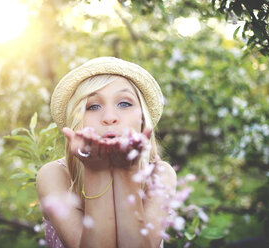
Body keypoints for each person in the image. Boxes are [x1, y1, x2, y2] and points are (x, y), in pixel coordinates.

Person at [36, 57, 177, 248]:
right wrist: (96, 170)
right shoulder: (54, 175)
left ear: (142, 118)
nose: (109, 118)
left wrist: (128, 172)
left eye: (124, 104)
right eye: (93, 106)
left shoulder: (160, 175)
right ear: (77, 121)